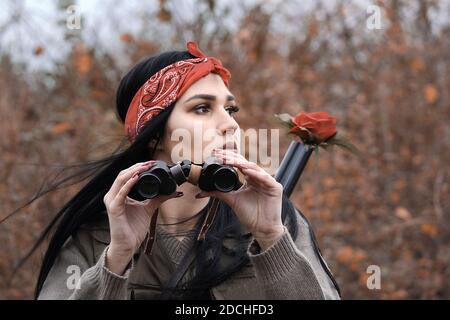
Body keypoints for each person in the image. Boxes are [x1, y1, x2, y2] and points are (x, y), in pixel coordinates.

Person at [35, 41, 340, 300]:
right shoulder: (97, 235)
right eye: (202, 108)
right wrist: (117, 258)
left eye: (230, 109)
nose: (230, 125)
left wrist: (271, 237)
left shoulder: (276, 217)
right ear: (154, 135)